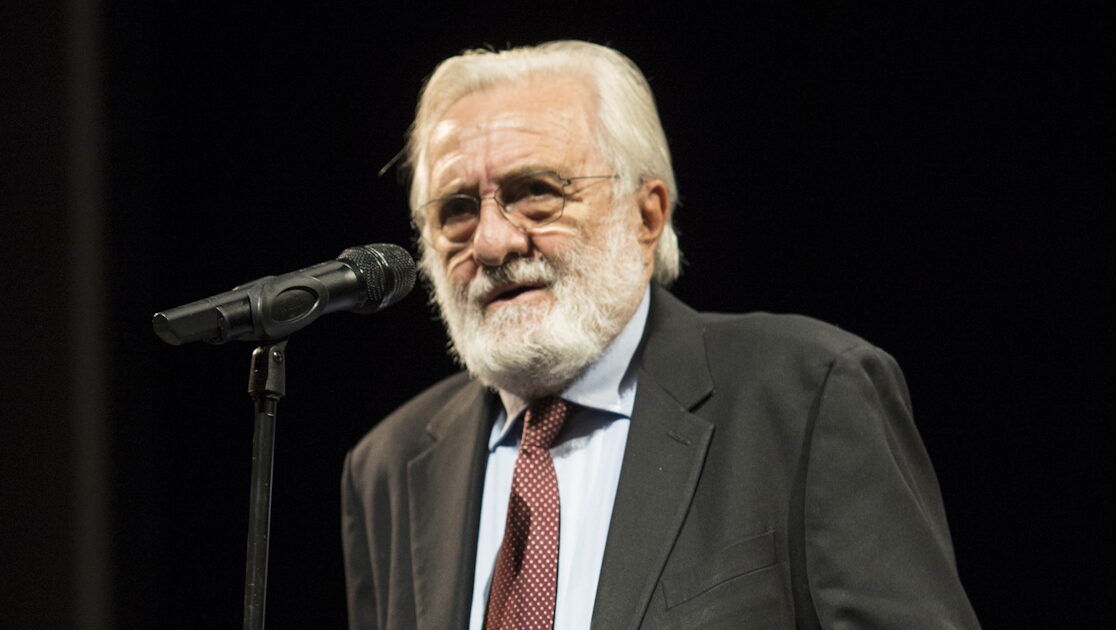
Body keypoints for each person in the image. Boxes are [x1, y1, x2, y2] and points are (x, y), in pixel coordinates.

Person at [341, 40, 979, 629]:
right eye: (456, 210)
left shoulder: (808, 395)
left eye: (535, 192)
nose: (491, 242)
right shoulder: (388, 468)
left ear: (646, 215)